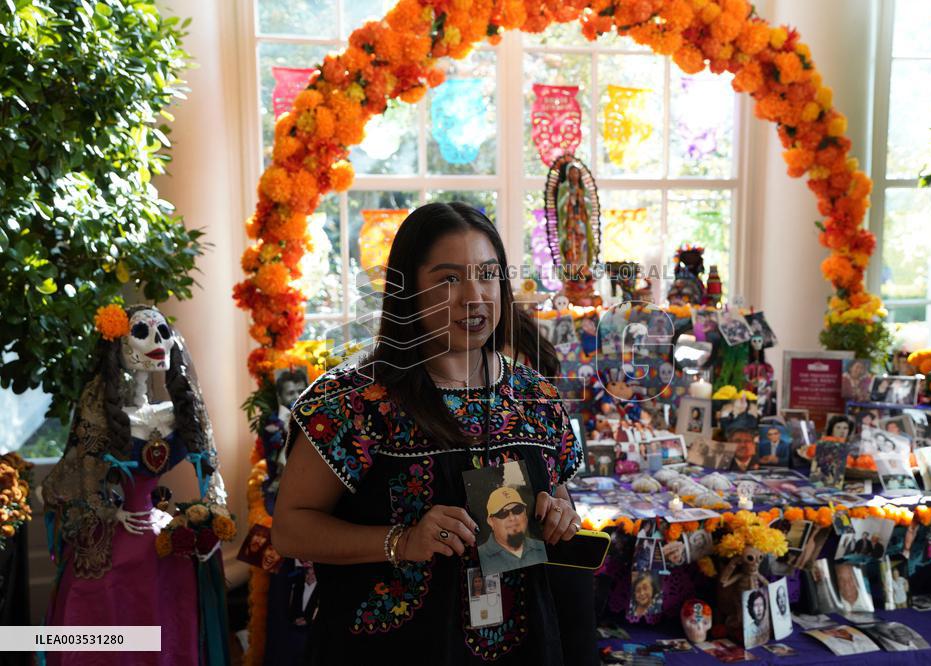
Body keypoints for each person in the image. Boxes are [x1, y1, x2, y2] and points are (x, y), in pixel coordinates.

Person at [271, 202, 584, 664]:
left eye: (487, 274)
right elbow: (290, 529)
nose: (474, 296)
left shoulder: (536, 396)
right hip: (389, 651)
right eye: (449, 279)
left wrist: (559, 515)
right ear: (408, 290)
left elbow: (560, 500)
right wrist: (402, 540)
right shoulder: (352, 402)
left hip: (522, 648)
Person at [41, 305, 230, 666]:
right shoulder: (100, 413)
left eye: (164, 333)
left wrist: (211, 520)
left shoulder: (178, 412)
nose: (158, 342)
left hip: (164, 539)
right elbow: (82, 476)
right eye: (142, 333)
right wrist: (108, 511)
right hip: (117, 537)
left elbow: (210, 470)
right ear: (120, 345)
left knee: (169, 620)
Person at [479, 486, 547, 574]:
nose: (512, 518)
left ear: (525, 513)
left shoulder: (542, 548)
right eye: (503, 513)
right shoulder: (480, 556)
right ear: (491, 521)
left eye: (517, 509)